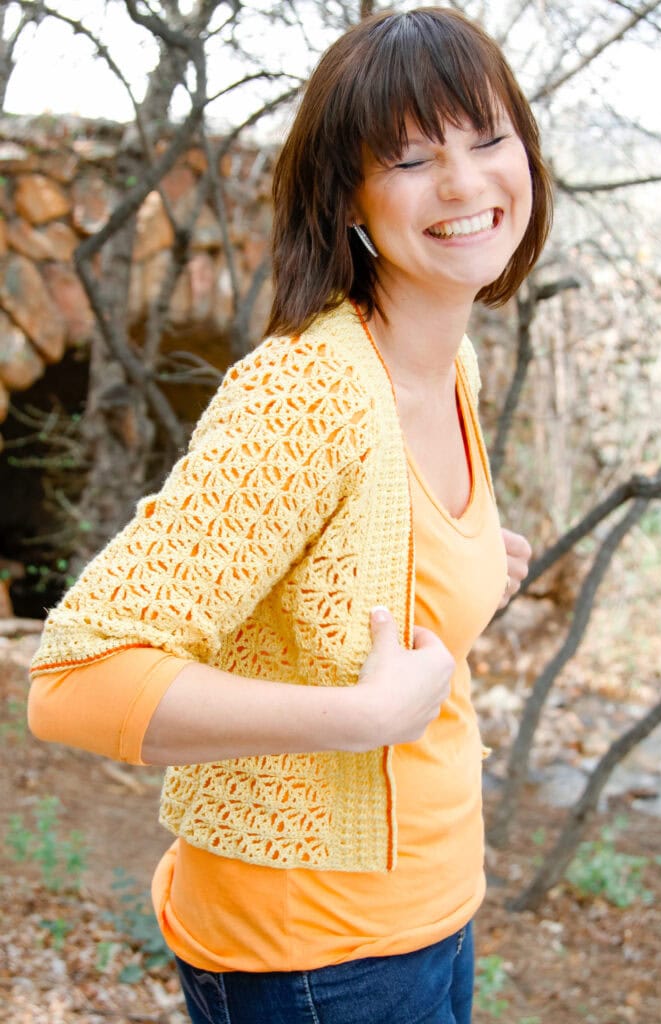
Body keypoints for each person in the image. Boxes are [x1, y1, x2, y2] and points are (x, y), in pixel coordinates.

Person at [28, 7, 551, 1023]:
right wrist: (357, 718)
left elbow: (349, 599)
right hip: (314, 956)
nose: (462, 182)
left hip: (431, 916)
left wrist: (472, 563)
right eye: (408, 158)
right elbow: (75, 679)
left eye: (485, 137)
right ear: (346, 197)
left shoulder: (452, 362)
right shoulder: (305, 394)